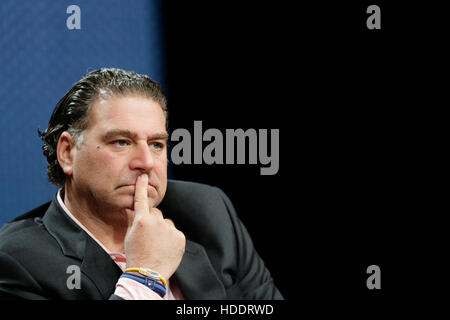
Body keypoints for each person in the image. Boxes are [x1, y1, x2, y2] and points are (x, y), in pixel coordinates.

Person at [0, 68, 283, 300]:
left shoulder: (209, 212)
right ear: (67, 153)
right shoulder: (15, 261)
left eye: (157, 144)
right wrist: (144, 276)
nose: (146, 162)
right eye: (121, 142)